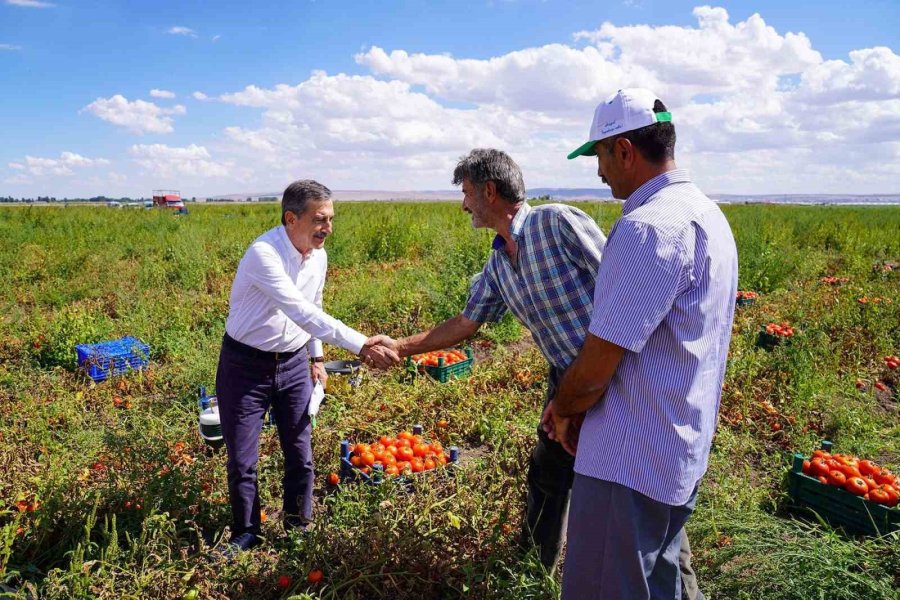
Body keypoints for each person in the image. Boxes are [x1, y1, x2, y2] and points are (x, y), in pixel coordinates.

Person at [367, 149, 699, 594]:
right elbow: (467, 322)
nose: (464, 204)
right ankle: (534, 561)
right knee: (549, 469)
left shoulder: (556, 222)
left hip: (617, 375)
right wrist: (401, 346)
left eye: (467, 193)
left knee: (635, 491)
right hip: (566, 378)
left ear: (489, 190)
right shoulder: (499, 261)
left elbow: (622, 281)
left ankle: (679, 580)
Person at [548, 88, 738, 599]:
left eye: (601, 156)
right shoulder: (708, 216)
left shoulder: (648, 228)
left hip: (627, 462)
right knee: (657, 584)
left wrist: (562, 408)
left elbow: (597, 363)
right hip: (677, 450)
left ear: (625, 150)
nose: (599, 171)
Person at [215, 179, 399, 554]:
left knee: (300, 452)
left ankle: (298, 524)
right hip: (245, 366)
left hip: (296, 362)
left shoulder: (320, 257)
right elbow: (300, 310)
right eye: (319, 219)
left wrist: (316, 357)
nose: (327, 228)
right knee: (243, 458)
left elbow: (313, 307)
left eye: (330, 219)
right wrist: (362, 344)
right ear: (290, 218)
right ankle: (247, 532)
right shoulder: (263, 254)